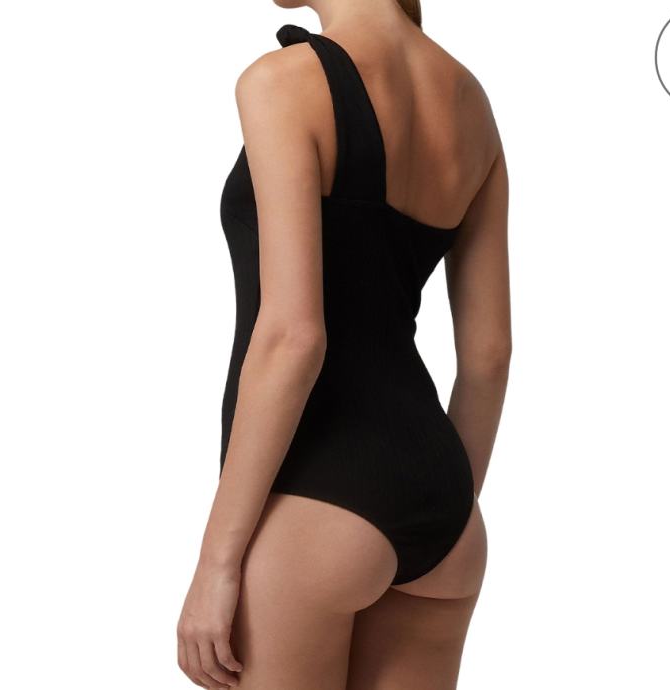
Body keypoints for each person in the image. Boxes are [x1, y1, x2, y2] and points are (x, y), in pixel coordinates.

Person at [177, 0, 510, 687]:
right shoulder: (471, 103)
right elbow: (489, 356)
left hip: (317, 493)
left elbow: (293, 337)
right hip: (444, 504)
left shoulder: (281, 82)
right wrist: (441, 510)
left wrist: (216, 563)